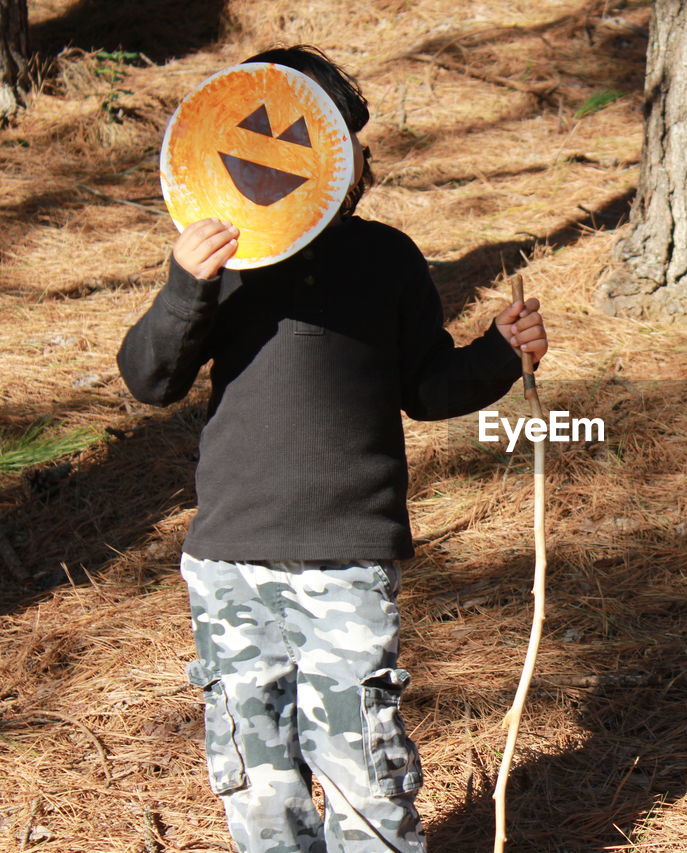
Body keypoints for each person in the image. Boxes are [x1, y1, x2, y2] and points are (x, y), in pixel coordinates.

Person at [117, 45, 547, 853]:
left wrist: (497, 350)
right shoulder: (224, 259)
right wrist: (184, 285)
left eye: (341, 143)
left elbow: (427, 387)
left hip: (347, 559)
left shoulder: (386, 258)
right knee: (256, 771)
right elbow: (150, 378)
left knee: (363, 763)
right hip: (231, 561)